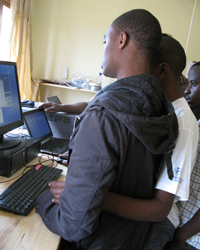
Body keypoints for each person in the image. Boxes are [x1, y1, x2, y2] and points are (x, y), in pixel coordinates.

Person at [35, 9, 179, 250]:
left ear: (121, 39)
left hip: (99, 241)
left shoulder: (102, 118)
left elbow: (74, 225)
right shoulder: (163, 108)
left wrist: (40, 199)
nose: (103, 48)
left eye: (105, 40)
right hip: (132, 238)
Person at [165, 61, 200, 250]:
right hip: (181, 225)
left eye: (193, 85)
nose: (187, 90)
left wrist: (180, 237)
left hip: (192, 239)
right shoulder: (195, 120)